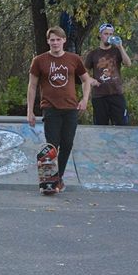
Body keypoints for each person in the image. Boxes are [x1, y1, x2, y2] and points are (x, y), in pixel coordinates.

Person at [27, 26, 98, 193]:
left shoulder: (74, 59)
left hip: (70, 109)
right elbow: (32, 86)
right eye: (52, 40)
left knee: (67, 144)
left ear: (64, 41)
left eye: (58, 40)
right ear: (48, 41)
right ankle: (50, 180)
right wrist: (30, 111)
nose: (55, 43)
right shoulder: (39, 60)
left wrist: (85, 99)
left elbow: (86, 80)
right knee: (52, 146)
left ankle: (58, 179)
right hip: (50, 108)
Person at [84, 23, 132, 125]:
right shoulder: (93, 54)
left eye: (111, 34)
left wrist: (120, 47)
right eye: (106, 34)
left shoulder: (116, 51)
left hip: (116, 94)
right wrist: (91, 80)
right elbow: (84, 73)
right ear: (100, 35)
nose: (108, 36)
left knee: (122, 125)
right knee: (101, 127)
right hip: (99, 96)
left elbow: (128, 63)